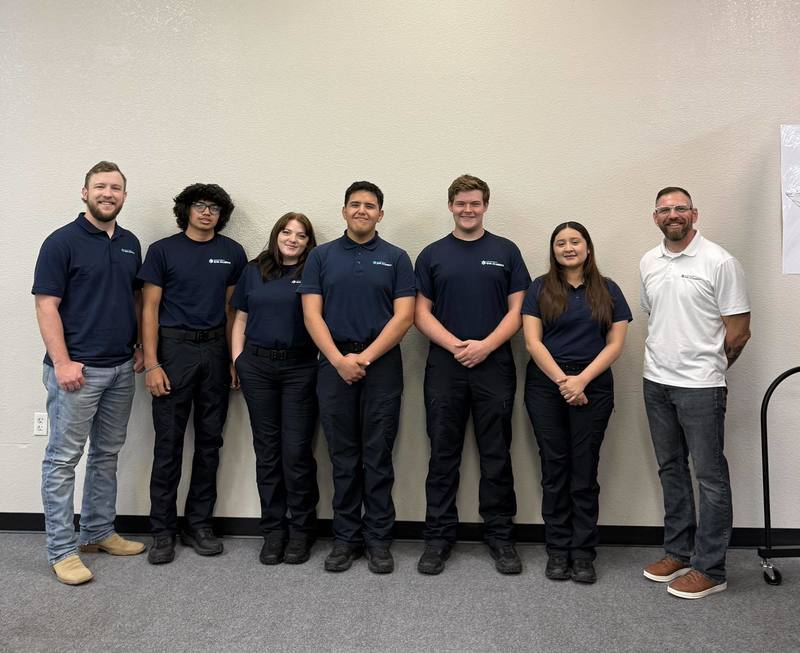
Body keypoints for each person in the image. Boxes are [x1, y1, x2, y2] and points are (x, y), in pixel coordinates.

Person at [33, 161, 146, 585]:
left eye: (115, 188)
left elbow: (133, 301)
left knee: (106, 454)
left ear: (123, 196)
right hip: (77, 371)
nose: (107, 193)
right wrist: (62, 362)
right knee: (63, 460)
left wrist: (137, 347)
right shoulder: (61, 242)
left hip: (120, 368)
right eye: (100, 186)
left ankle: (98, 531)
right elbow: (46, 305)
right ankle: (61, 550)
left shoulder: (131, 243)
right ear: (84, 193)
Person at [414, 174, 530, 575]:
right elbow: (419, 313)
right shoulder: (432, 254)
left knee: (496, 454)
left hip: (494, 364)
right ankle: (438, 539)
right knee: (442, 454)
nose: (468, 210)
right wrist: (456, 346)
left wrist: (485, 345)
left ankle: (500, 537)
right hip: (445, 366)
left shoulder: (506, 251)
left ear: (485, 206)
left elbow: (519, 311)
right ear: (451, 206)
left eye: (475, 203)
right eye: (461, 203)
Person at [299, 181, 415, 574]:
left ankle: (378, 540)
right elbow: (311, 314)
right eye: (355, 204)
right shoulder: (321, 256)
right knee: (343, 457)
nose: (362, 210)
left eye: (370, 206)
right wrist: (337, 359)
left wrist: (362, 358)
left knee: (378, 456)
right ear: (344, 211)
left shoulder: (397, 258)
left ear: (380, 214)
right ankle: (346, 539)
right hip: (333, 365)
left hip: (381, 364)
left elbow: (404, 317)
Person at [640, 187, 750, 599]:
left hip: (701, 387)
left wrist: (709, 368)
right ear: (655, 218)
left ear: (694, 214)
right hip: (656, 381)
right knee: (671, 469)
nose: (673, 215)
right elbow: (658, 317)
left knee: (710, 478)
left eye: (680, 208)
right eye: (665, 209)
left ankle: (711, 568)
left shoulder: (719, 261)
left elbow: (739, 332)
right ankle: (679, 552)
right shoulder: (649, 262)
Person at [139, 183, 247, 564]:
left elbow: (234, 310)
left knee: (209, 442)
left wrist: (235, 359)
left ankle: (199, 523)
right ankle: (163, 530)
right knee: (168, 444)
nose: (207, 213)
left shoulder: (232, 253)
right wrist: (151, 363)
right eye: (200, 206)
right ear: (186, 210)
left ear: (222, 215)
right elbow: (149, 309)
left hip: (216, 349)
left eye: (214, 208)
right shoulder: (162, 251)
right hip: (174, 349)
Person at [522, 222, 631, 584]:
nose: (568, 248)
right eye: (560, 243)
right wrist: (563, 382)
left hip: (593, 386)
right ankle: (557, 551)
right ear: (553, 250)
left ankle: (583, 553)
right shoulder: (539, 288)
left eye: (575, 241)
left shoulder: (608, 289)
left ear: (588, 246)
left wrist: (581, 381)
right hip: (546, 386)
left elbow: (615, 344)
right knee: (554, 470)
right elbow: (533, 342)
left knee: (584, 472)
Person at [231, 212, 319, 565]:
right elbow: (240, 318)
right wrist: (238, 361)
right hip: (258, 368)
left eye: (301, 234)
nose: (293, 238)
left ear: (308, 242)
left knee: (296, 452)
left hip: (300, 368)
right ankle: (273, 532)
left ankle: (300, 531)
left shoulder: (314, 271)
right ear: (276, 234)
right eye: (287, 231)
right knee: (267, 452)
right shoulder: (254, 270)